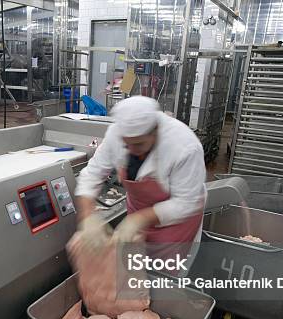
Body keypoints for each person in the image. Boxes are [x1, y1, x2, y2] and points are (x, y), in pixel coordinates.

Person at [74, 96, 206, 260]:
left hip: (174, 228)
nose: (131, 150)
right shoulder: (116, 134)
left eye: (138, 144)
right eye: (126, 145)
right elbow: (92, 174)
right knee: (134, 272)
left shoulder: (184, 146)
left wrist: (139, 219)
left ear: (155, 130)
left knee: (165, 277)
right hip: (136, 219)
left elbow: (186, 203)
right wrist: (88, 216)